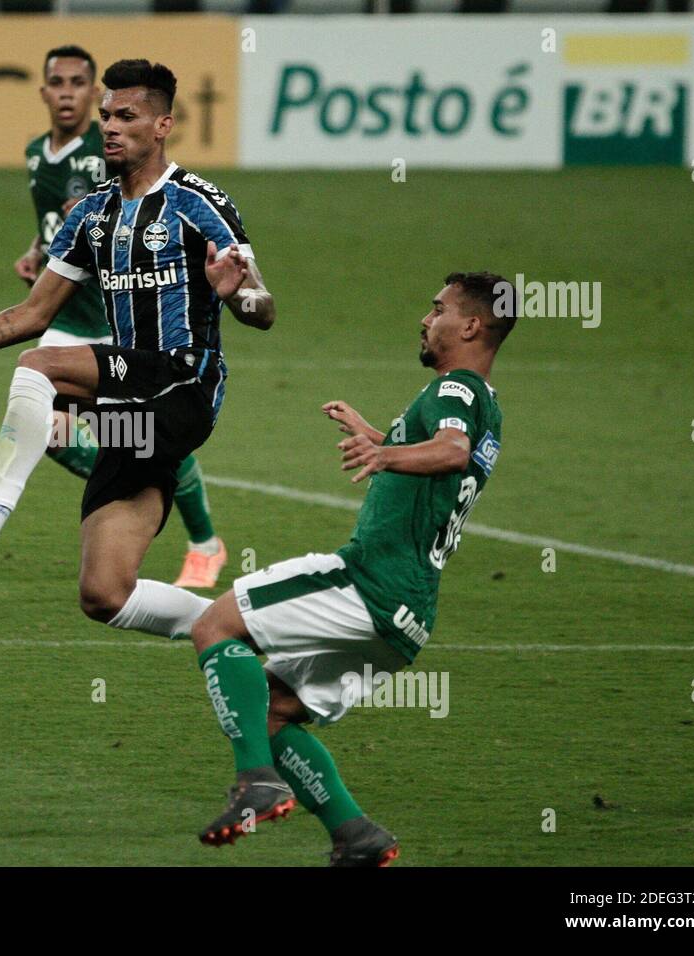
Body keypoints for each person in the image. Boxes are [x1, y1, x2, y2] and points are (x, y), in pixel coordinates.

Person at [0, 60, 274, 653]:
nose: (109, 126)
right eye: (106, 115)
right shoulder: (90, 216)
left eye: (125, 116)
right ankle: (249, 632)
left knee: (40, 368)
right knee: (104, 593)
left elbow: (264, 305)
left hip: (182, 386)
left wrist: (239, 296)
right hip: (136, 413)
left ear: (162, 126)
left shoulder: (198, 203)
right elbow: (30, 316)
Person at [187, 272, 514, 865]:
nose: (425, 318)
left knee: (215, 626)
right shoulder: (487, 405)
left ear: (470, 325)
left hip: (368, 583)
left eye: (437, 308)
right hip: (408, 619)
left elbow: (450, 451)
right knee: (272, 713)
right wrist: (379, 435)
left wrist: (384, 451)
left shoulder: (455, 391)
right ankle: (354, 834)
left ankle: (255, 783)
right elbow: (447, 462)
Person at [17, 47, 225, 588]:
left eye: (77, 83)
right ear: (42, 91)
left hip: (120, 326)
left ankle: (202, 540)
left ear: (91, 94)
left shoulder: (110, 155)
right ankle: (166, 508)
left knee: (141, 429)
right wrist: (39, 253)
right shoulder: (36, 154)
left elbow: (122, 220)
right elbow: (74, 228)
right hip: (67, 319)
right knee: (55, 429)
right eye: (56, 82)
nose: (67, 93)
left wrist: (244, 295)